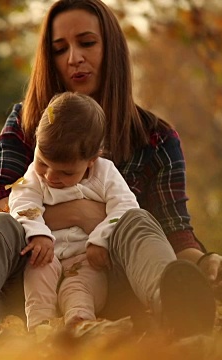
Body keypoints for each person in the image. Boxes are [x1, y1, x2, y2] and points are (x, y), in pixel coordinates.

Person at [0, 0, 222, 338]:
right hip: (26, 295)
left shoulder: (155, 138)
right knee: (5, 221)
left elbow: (175, 234)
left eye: (86, 43)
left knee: (138, 222)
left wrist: (205, 264)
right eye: (59, 49)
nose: (74, 58)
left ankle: (177, 310)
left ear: (111, 48)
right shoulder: (26, 123)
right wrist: (85, 213)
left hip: (111, 293)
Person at [10, 92, 140, 330]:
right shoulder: (34, 175)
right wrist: (38, 233)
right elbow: (22, 202)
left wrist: (101, 240)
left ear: (92, 160)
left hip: (86, 257)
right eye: (42, 163)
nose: (50, 177)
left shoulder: (105, 174)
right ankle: (41, 329)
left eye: (66, 173)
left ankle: (80, 327)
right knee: (38, 278)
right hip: (46, 253)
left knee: (78, 289)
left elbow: (126, 208)